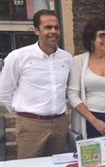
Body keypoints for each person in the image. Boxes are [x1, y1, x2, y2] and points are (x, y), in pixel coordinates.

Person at [0, 10, 72, 159]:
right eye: (48, 27)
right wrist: (23, 114)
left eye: (56, 27)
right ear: (36, 31)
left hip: (60, 123)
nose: (53, 31)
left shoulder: (66, 58)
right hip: (31, 125)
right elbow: (5, 91)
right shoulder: (18, 57)